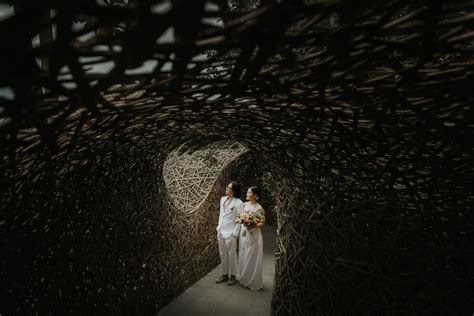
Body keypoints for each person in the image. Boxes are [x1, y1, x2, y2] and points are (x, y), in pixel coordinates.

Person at [216, 181, 243, 286]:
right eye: (227, 187)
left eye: (229, 188)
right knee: (222, 253)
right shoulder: (222, 199)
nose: (227, 188)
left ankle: (233, 276)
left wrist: (235, 233)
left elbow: (240, 219)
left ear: (234, 190)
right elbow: (221, 215)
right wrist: (218, 228)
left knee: (231, 254)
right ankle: (224, 274)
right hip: (221, 230)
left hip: (231, 232)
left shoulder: (238, 202)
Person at [238, 186, 265, 290]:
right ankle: (244, 279)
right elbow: (240, 216)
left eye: (249, 192)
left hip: (254, 235)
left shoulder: (259, 208)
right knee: (244, 255)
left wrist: (252, 225)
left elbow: (262, 223)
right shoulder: (244, 204)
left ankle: (253, 281)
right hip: (244, 234)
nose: (247, 193)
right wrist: (239, 220)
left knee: (251, 257)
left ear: (255, 195)